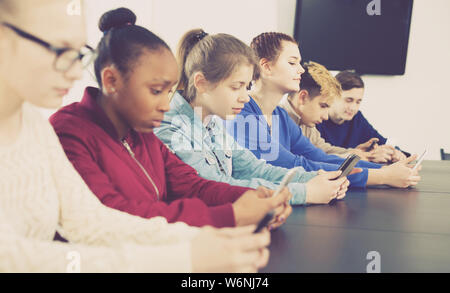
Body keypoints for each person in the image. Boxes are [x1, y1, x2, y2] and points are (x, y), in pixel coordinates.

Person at [0, 1, 269, 273]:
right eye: (59, 50)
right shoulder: (65, 129)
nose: (74, 71)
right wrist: (186, 256)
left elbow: (91, 221)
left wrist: (204, 239)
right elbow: (13, 258)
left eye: (78, 53)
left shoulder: (34, 126)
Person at [50, 9, 288, 230]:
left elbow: (193, 186)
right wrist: (231, 215)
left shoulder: (142, 135)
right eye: (156, 91)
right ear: (111, 81)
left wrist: (249, 197)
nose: (166, 105)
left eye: (168, 91)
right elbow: (113, 214)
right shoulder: (69, 132)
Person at [154, 29, 349, 217]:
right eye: (236, 87)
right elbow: (214, 187)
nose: (245, 98)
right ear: (201, 83)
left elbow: (253, 168)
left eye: (246, 87)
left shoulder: (212, 122)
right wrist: (305, 192)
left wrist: (315, 179)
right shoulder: (172, 128)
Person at [227, 32, 421, 189]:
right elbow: (293, 166)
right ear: (266, 67)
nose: (301, 70)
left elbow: (319, 156)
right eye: (292, 62)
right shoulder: (242, 114)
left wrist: (386, 168)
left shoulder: (281, 116)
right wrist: (382, 176)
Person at [280, 61, 370, 160]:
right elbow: (309, 160)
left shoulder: (305, 122)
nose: (326, 117)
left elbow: (323, 150)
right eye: (323, 106)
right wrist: (350, 157)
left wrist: (353, 153)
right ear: (303, 97)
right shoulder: (275, 121)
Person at [316, 70, 408, 163]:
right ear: (333, 96)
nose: (353, 108)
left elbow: (382, 142)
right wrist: (367, 156)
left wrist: (395, 153)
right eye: (349, 100)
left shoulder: (357, 118)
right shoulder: (316, 119)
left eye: (358, 102)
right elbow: (317, 156)